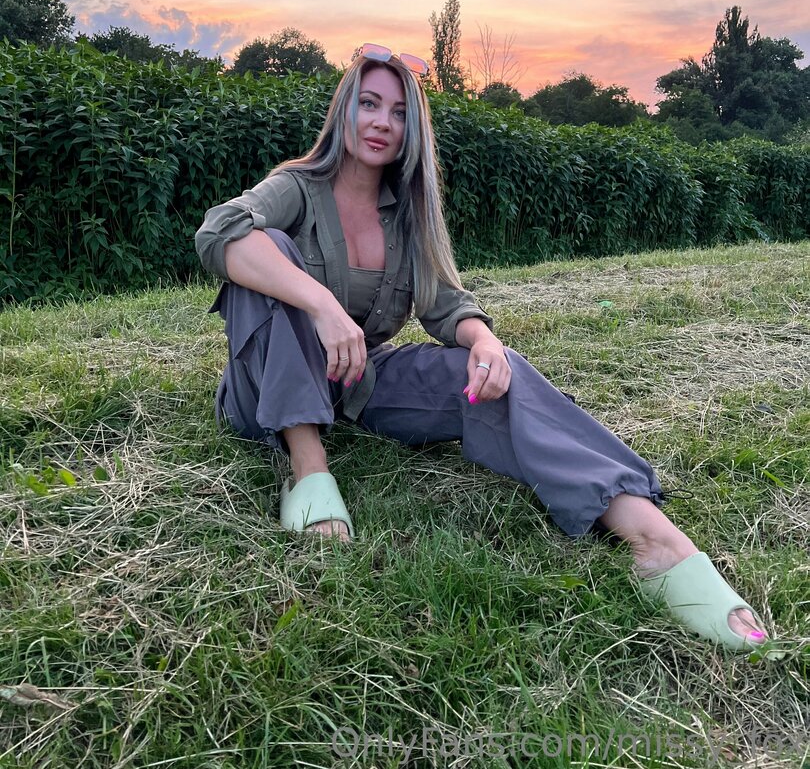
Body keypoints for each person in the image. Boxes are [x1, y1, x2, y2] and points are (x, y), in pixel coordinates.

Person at [196, 43, 777, 655]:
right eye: (368, 104)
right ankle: (308, 468)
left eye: (399, 112)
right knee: (266, 250)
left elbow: (446, 304)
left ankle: (653, 538)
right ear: (345, 110)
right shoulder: (297, 187)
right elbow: (218, 232)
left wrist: (485, 341)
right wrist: (322, 304)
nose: (381, 122)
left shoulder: (407, 212)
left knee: (495, 374)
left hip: (357, 382)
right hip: (264, 388)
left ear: (412, 130)